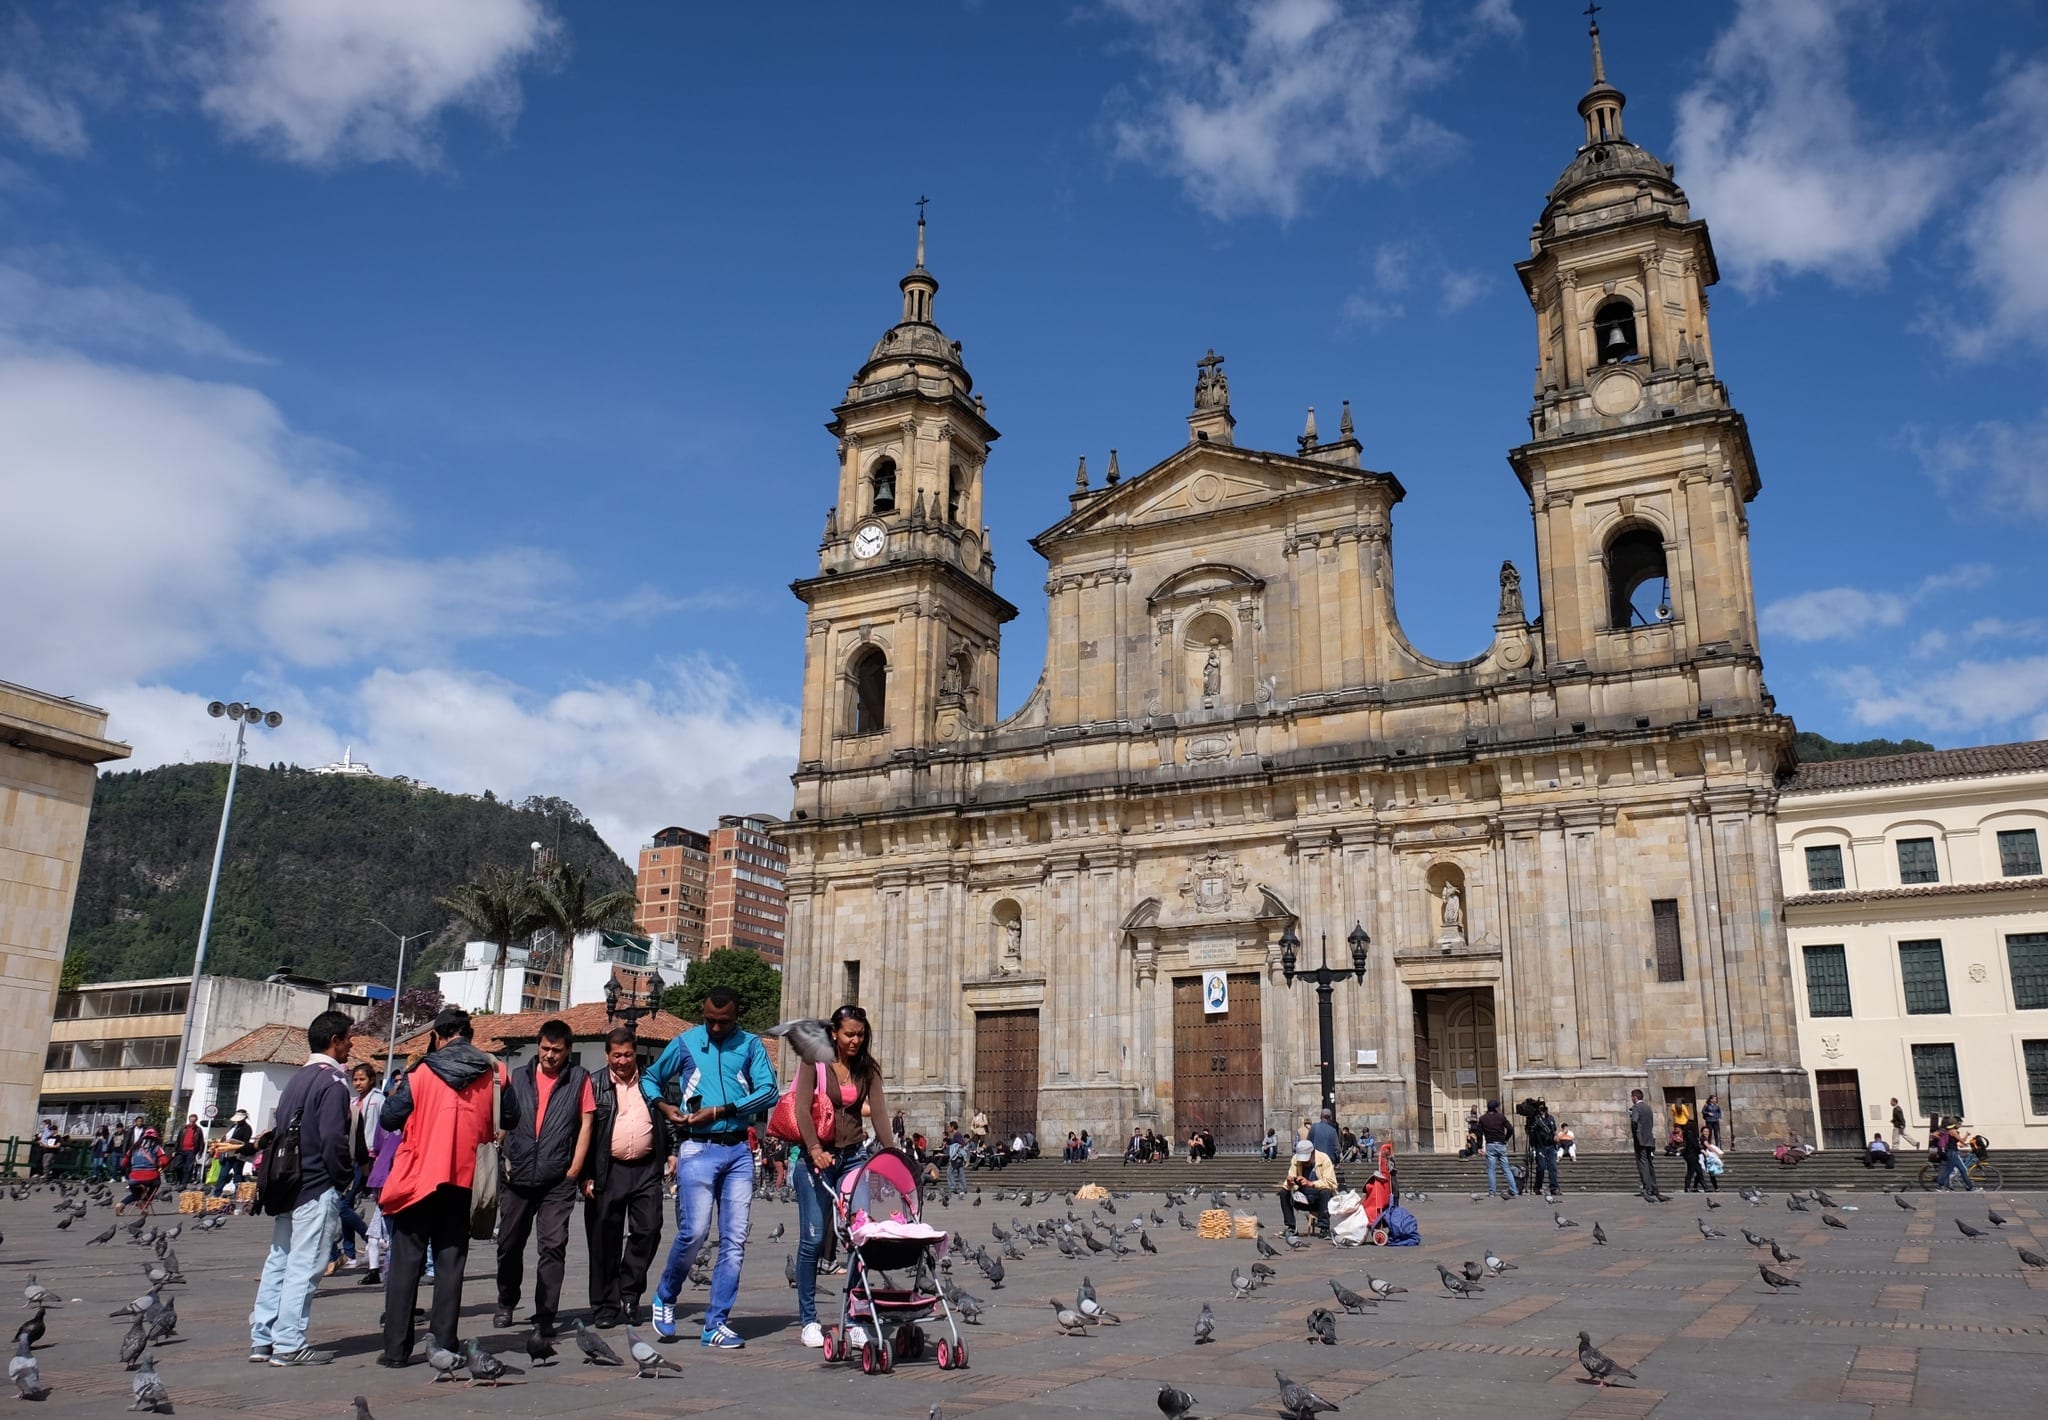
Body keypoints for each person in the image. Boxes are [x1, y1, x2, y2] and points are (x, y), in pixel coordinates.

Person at [644, 987, 779, 1350]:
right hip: (697, 1148)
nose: (716, 1028)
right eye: (709, 1021)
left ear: (737, 1016)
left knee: (734, 1241)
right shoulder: (686, 1042)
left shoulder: (751, 1046)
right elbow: (650, 1078)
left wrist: (723, 1110)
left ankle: (716, 1323)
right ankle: (666, 1296)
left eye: (724, 1022)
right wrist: (662, 1105)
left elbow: (770, 1092)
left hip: (737, 1150)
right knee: (695, 1232)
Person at [376, 1006, 503, 1368]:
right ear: (470, 1034)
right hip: (465, 1180)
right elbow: (509, 1117)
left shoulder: (421, 1073)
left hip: (419, 1178)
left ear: (437, 1035)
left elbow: (388, 1117)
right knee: (450, 1265)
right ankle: (444, 1343)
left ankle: (396, 1350)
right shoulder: (493, 1073)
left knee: (406, 1265)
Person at [247, 1009, 355, 1367]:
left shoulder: (297, 1079)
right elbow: (333, 1140)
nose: (351, 1045)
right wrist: (344, 1178)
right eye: (348, 1038)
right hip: (315, 1184)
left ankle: (262, 1338)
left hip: (286, 1184)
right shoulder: (334, 1083)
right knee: (304, 1265)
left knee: (279, 1260)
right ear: (334, 1041)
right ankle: (290, 1343)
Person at [795, 1004, 895, 1348]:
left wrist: (892, 1153)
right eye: (849, 1034)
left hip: (853, 1157)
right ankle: (809, 1319)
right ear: (834, 1033)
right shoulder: (815, 1062)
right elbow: (801, 1109)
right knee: (812, 1239)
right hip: (816, 1159)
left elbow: (879, 1114)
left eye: (861, 1034)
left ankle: (853, 1315)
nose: (855, 1040)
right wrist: (813, 1148)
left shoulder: (867, 1069)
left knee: (860, 1236)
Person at [495, 1019, 593, 1336]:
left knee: (553, 1246)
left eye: (557, 1050)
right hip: (517, 1175)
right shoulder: (518, 1077)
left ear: (568, 1052)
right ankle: (507, 1300)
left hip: (557, 1178)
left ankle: (545, 1313)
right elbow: (503, 1120)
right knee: (509, 1244)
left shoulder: (579, 1079)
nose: (550, 1055)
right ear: (538, 1046)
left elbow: (586, 1123)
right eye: (545, 1048)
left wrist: (575, 1169)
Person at [584, 1027, 669, 1328]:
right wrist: (585, 1176)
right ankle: (605, 1307)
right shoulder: (593, 1084)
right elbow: (582, 1133)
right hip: (608, 1169)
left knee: (649, 1229)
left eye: (628, 1054)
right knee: (604, 1238)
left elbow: (667, 1117)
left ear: (636, 1053)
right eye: (616, 1055)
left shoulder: (650, 1083)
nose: (622, 1061)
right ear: (607, 1055)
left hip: (646, 1168)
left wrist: (671, 1152)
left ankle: (629, 1291)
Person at [348, 1063, 388, 1286]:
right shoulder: (353, 1103)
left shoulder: (378, 1100)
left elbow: (385, 1127)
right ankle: (349, 1249)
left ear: (371, 1080)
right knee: (347, 1203)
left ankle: (369, 1238)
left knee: (352, 1202)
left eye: (362, 1079)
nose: (357, 1083)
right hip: (354, 1155)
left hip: (373, 1155)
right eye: (355, 1079)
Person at [1277, 1138, 1336, 1238]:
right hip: (1302, 1198)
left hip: (1319, 1200)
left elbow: (1331, 1183)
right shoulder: (1296, 1159)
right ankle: (1291, 1227)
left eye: (1306, 1160)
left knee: (1325, 1192)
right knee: (1283, 1193)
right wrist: (1290, 1182)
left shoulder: (1324, 1158)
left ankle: (1324, 1228)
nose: (1304, 1163)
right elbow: (1290, 1177)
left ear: (1313, 1153)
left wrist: (1310, 1184)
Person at [115, 1128, 167, 1215]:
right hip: (151, 1176)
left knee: (137, 1193)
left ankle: (121, 1204)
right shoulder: (157, 1147)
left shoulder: (134, 1148)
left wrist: (133, 1167)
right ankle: (145, 1203)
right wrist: (160, 1166)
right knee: (156, 1184)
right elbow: (164, 1161)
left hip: (133, 1177)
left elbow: (123, 1163)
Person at [1475, 1099, 1518, 1198]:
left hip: (1490, 1145)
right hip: (1501, 1144)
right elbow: (1510, 1129)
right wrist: (1505, 1139)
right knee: (1506, 1168)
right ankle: (1514, 1190)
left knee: (1491, 1169)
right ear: (1495, 1108)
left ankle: (1492, 1192)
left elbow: (1479, 1134)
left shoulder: (1482, 1118)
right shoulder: (1501, 1117)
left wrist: (1479, 1146)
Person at [1629, 1090, 1667, 1201]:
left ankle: (1647, 1187)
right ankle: (1653, 1186)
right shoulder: (1648, 1108)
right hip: (1649, 1139)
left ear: (1635, 1097)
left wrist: (1634, 1132)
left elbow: (1635, 1121)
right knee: (1649, 1164)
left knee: (1643, 1163)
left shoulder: (1636, 1107)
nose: (1632, 1099)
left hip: (1640, 1140)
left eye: (1632, 1097)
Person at [219, 1110, 255, 1196]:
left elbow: (244, 1142)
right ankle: (218, 1193)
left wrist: (234, 1143)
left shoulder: (247, 1128)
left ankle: (237, 1193)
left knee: (237, 1175)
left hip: (238, 1155)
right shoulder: (234, 1126)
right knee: (223, 1175)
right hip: (228, 1154)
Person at [1526, 1103, 1559, 1197]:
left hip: (1551, 1146)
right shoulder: (1535, 1120)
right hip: (1540, 1146)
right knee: (1541, 1167)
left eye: (1544, 1109)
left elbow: (1554, 1130)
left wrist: (1556, 1136)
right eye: (1540, 1109)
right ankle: (1537, 1187)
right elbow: (1529, 1131)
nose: (1542, 1111)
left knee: (1552, 1166)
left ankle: (1554, 1188)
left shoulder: (1551, 1118)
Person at [1677, 1103, 1708, 1193]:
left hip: (1692, 1156)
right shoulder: (1691, 1135)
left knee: (1699, 1171)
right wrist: (1702, 1150)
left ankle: (1705, 1187)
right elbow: (1695, 1146)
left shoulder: (1688, 1135)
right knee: (1691, 1172)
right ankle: (1687, 1187)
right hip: (1691, 1156)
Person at [173, 1115, 204, 1190]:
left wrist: (200, 1152)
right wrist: (175, 1150)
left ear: (195, 1121)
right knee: (177, 1166)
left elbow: (201, 1142)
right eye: (191, 1121)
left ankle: (184, 1183)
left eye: (193, 1121)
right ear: (189, 1120)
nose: (192, 1122)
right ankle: (179, 1179)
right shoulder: (184, 1128)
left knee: (188, 1167)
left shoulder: (198, 1130)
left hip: (191, 1151)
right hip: (181, 1150)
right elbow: (178, 1139)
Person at [945, 1121, 968, 1191]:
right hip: (959, 1157)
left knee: (949, 1171)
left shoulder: (956, 1135)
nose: (948, 1129)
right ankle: (963, 1187)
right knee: (960, 1172)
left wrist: (954, 1153)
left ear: (952, 1127)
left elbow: (962, 1144)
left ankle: (952, 1187)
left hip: (956, 1157)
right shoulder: (957, 1134)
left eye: (949, 1127)